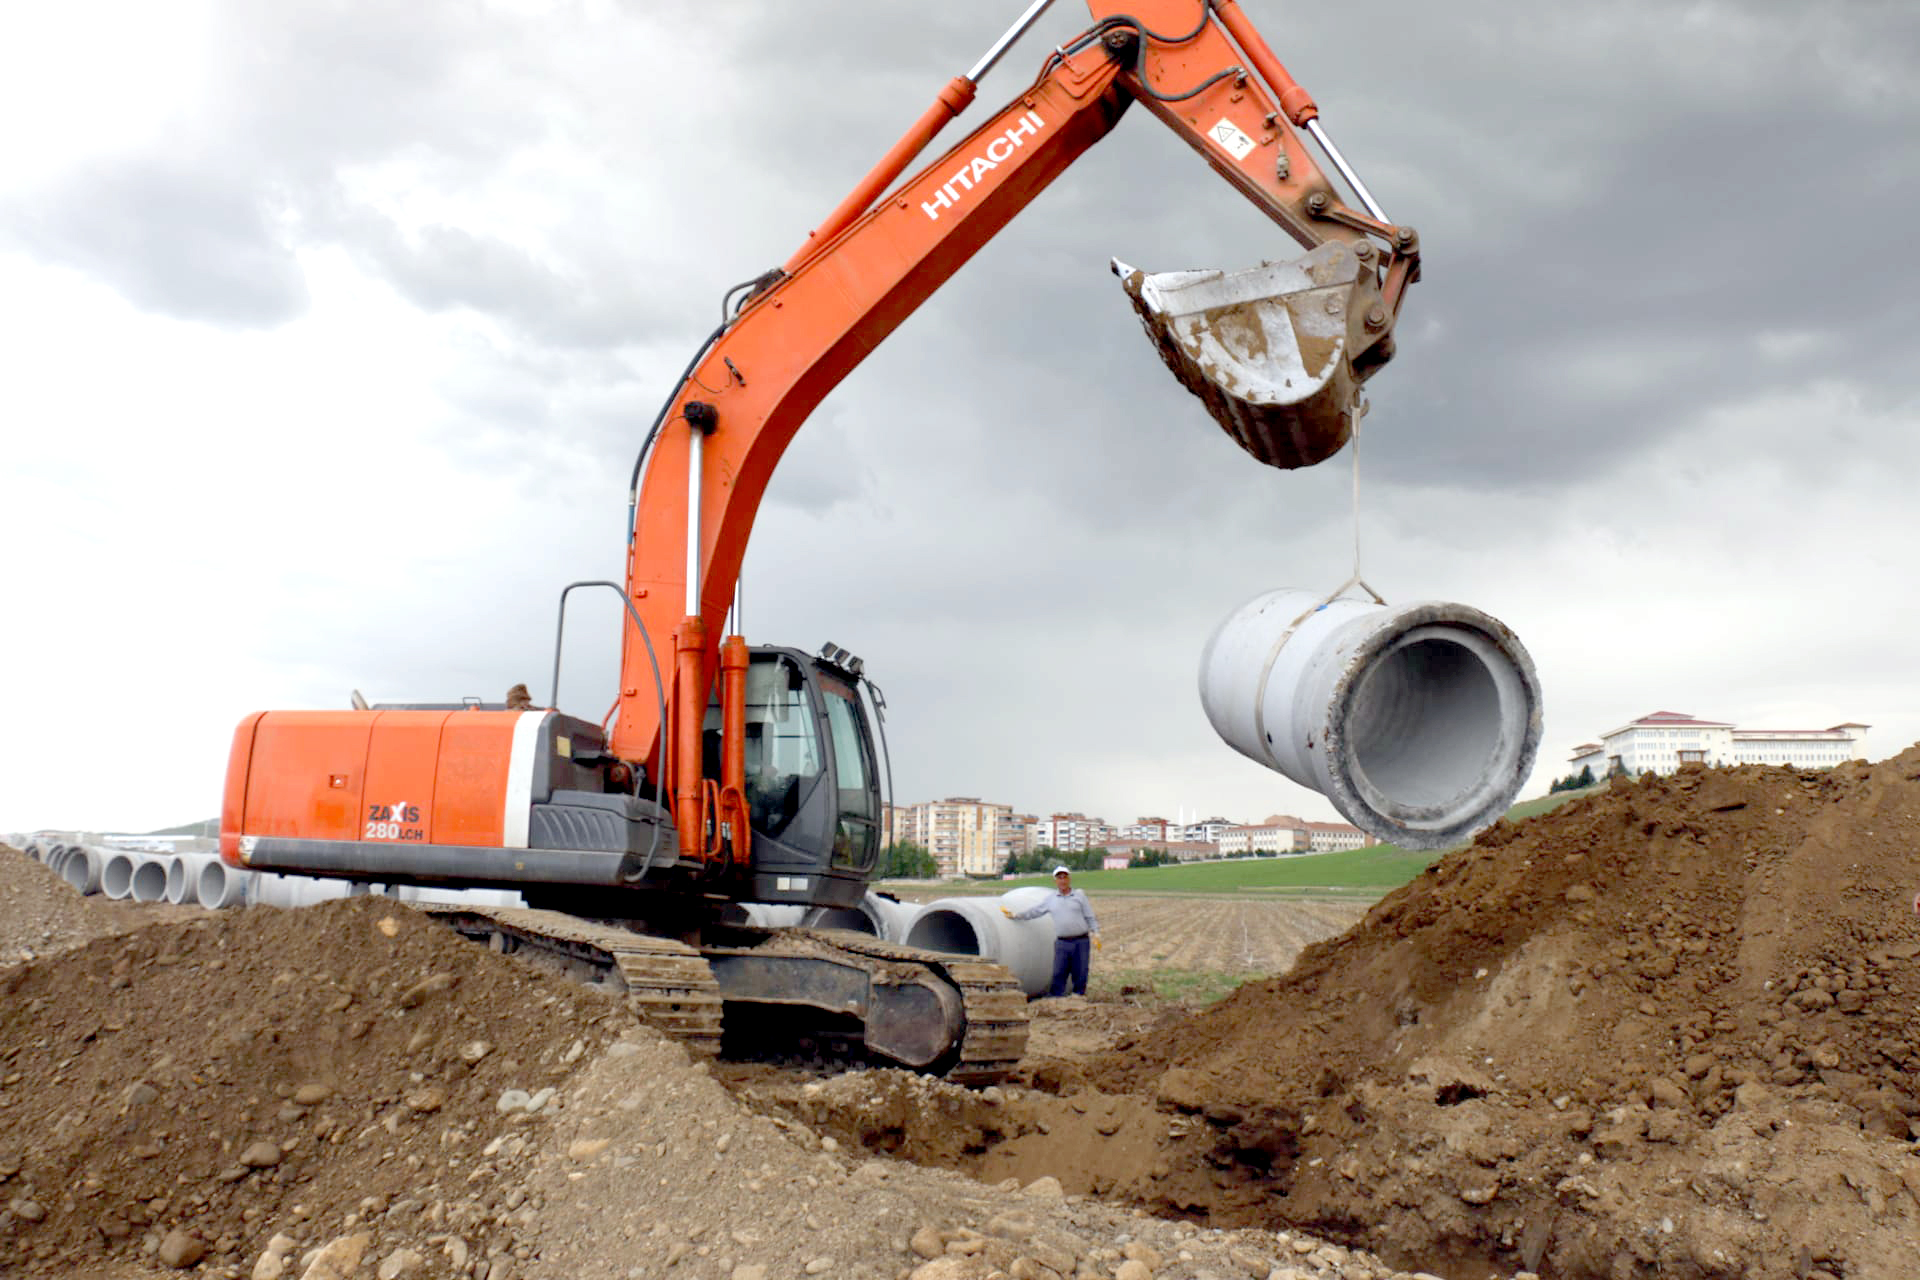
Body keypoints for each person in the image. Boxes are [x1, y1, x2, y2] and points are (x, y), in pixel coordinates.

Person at [1004, 866, 1101, 997]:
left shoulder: (1079, 896)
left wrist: (1096, 932)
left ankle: (1079, 997)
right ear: (1055, 880)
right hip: (1063, 942)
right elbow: (1035, 911)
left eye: (1065, 877)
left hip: (1081, 941)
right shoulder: (1051, 899)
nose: (1062, 880)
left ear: (1069, 879)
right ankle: (1056, 999)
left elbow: (1090, 916)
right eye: (1059, 878)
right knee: (1059, 972)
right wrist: (1017, 915)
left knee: (1081, 972)